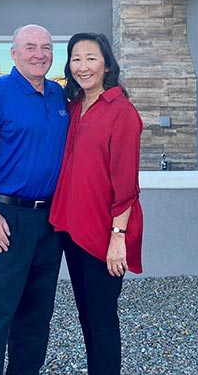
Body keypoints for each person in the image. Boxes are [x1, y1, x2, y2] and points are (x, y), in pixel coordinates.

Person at [0, 24, 69, 375]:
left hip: (49, 221)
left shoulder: (58, 96)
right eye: (30, 46)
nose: (39, 53)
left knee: (36, 317)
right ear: (14, 53)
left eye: (46, 46)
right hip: (6, 218)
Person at [50, 32, 143, 375]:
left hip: (104, 235)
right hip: (72, 230)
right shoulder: (74, 107)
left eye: (91, 58)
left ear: (106, 64)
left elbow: (126, 184)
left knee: (102, 319)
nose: (83, 66)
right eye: (76, 58)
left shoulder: (122, 112)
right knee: (87, 315)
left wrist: (118, 237)